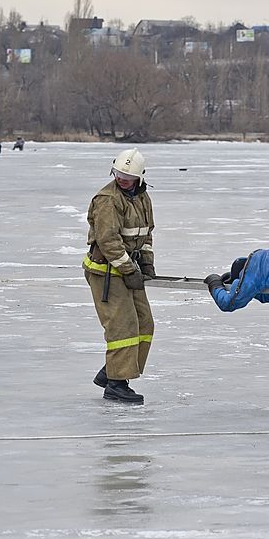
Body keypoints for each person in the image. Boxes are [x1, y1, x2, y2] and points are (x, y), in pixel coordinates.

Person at [82, 148, 156, 403]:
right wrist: (129, 270)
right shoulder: (107, 200)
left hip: (128, 269)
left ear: (139, 177)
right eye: (118, 174)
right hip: (106, 273)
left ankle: (113, 370)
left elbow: (146, 234)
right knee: (123, 328)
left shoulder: (143, 198)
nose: (122, 179)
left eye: (128, 176)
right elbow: (108, 242)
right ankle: (116, 384)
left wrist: (146, 263)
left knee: (145, 325)